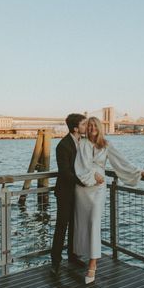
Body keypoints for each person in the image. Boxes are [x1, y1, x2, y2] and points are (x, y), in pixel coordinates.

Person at [73, 116, 144, 284]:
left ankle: (92, 264)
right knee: (83, 223)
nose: (92, 128)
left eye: (95, 125)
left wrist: (138, 172)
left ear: (100, 127)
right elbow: (80, 165)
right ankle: (82, 253)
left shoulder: (106, 145)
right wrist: (92, 175)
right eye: (90, 125)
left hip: (98, 189)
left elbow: (121, 162)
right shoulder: (83, 144)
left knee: (95, 222)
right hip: (83, 187)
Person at [50, 113, 87, 276]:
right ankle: (55, 262)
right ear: (75, 128)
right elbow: (64, 172)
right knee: (61, 226)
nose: (87, 127)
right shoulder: (63, 145)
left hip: (78, 192)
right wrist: (83, 181)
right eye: (84, 124)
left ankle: (72, 256)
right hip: (65, 192)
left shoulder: (83, 143)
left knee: (75, 224)